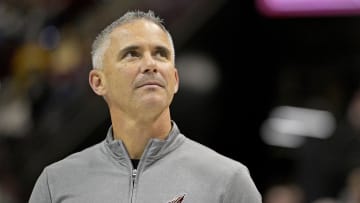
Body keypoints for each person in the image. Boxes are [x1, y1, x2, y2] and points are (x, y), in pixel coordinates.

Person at [28, 9, 262, 203]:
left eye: (161, 54)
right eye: (132, 54)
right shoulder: (56, 182)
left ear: (175, 80)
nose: (151, 65)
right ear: (98, 82)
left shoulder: (228, 180)